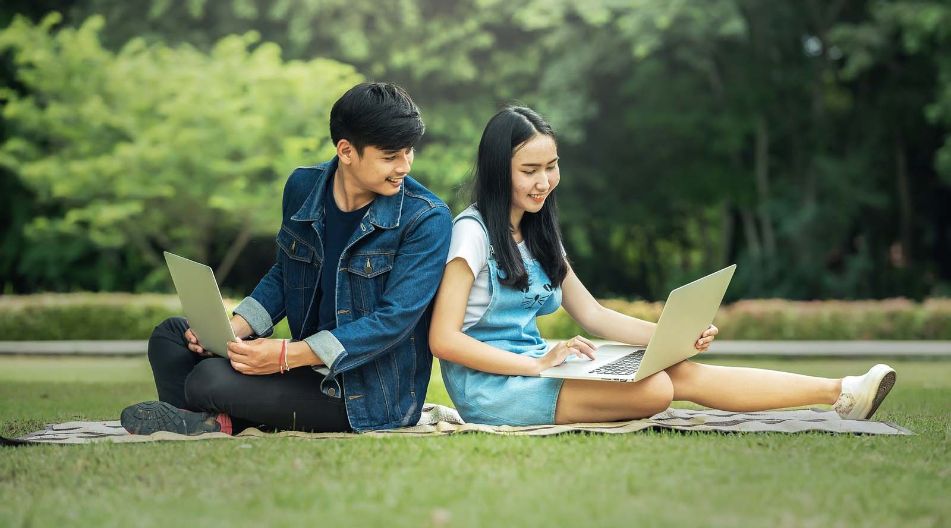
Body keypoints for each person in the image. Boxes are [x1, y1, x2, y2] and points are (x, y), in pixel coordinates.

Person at [429, 106, 896, 426]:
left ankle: (842, 391)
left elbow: (593, 315)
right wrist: (533, 367)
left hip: (540, 365)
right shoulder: (471, 234)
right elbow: (443, 339)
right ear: (497, 171)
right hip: (494, 387)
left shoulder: (537, 231)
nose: (544, 181)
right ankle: (839, 392)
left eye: (551, 166)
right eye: (529, 170)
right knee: (656, 391)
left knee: (679, 371)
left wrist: (670, 338)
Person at [122, 82, 452, 435]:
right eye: (390, 156)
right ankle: (210, 421)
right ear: (346, 151)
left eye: (408, 152)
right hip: (303, 369)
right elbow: (285, 273)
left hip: (364, 392)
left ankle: (210, 416)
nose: (404, 166)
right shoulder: (303, 188)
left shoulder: (426, 218)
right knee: (172, 336)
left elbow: (393, 321)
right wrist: (234, 328)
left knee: (208, 378)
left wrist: (285, 356)